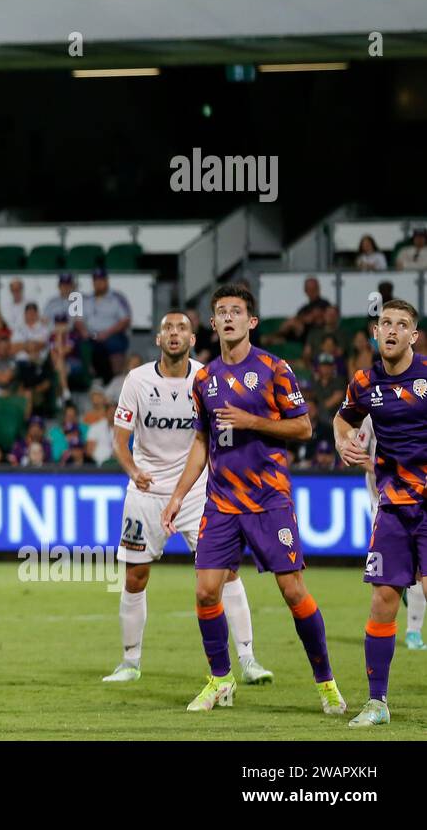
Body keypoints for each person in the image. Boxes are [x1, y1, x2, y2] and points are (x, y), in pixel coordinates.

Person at [161, 283, 344, 715]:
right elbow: (202, 443)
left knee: (293, 591)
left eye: (236, 311)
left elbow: (303, 429)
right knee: (206, 592)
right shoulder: (203, 379)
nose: (228, 318)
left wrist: (252, 420)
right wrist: (178, 495)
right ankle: (220, 680)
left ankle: (327, 683)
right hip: (222, 503)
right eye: (221, 312)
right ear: (212, 324)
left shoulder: (274, 369)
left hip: (269, 500)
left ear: (251, 321)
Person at [103, 311, 272, 684]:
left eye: (181, 328)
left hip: (197, 491)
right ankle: (130, 661)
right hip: (147, 492)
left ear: (193, 339)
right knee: (135, 576)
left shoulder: (207, 379)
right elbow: (119, 438)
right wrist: (134, 471)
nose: (174, 334)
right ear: (159, 339)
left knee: (226, 572)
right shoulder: (138, 380)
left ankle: (248, 659)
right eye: (167, 329)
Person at [333, 299, 427, 726]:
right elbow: (342, 417)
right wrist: (343, 440)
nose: (391, 329)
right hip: (392, 507)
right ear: (376, 332)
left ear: (414, 336)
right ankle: (377, 702)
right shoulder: (364, 382)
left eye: (401, 324)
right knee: (383, 600)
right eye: (385, 322)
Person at [83, 269, 131, 383]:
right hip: (91, 335)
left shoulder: (117, 298)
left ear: (106, 281)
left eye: (101, 281)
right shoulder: (86, 299)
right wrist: (84, 332)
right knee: (81, 344)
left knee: (115, 343)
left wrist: (107, 333)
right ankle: (92, 381)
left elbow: (125, 320)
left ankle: (115, 380)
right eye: (96, 281)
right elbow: (78, 320)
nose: (98, 284)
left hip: (111, 334)